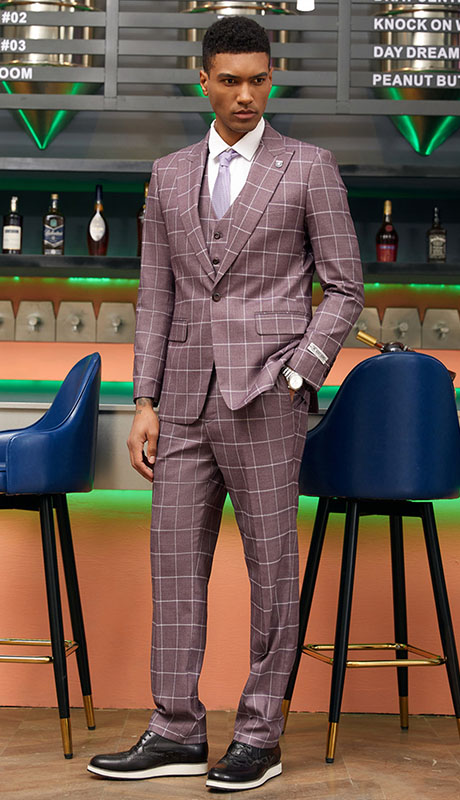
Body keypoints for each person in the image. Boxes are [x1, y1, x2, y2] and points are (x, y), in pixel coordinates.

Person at [88, 15, 364, 793]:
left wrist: (299, 375)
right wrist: (145, 399)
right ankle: (176, 730)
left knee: (273, 574)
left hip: (267, 398)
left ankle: (258, 737)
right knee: (175, 570)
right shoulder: (170, 173)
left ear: (271, 79)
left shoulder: (308, 167)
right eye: (232, 81)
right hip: (181, 401)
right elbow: (157, 294)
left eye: (259, 80)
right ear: (203, 79)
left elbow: (345, 287)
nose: (247, 95)